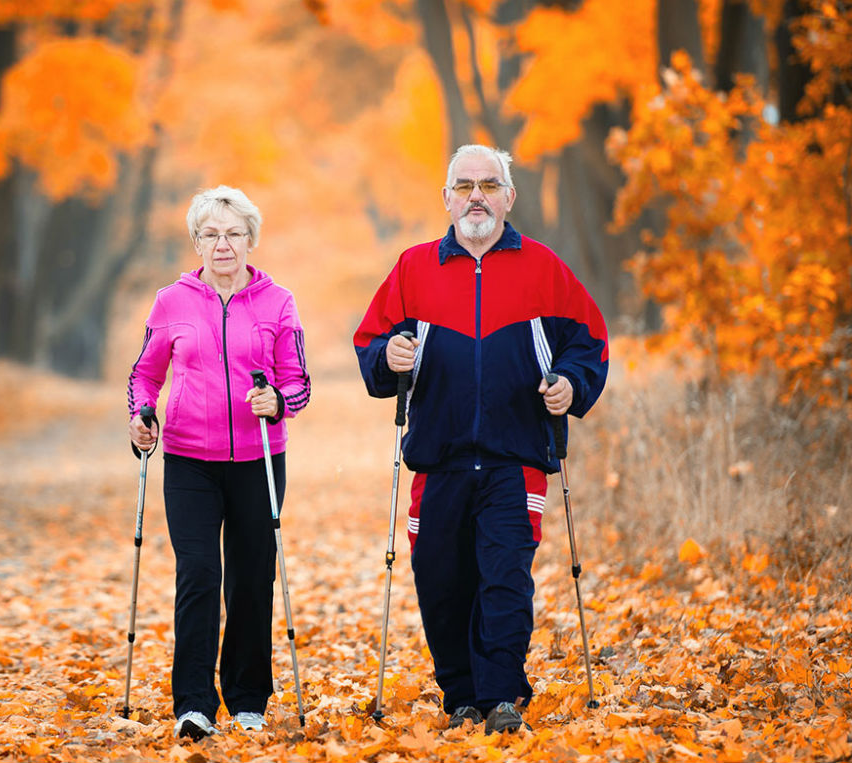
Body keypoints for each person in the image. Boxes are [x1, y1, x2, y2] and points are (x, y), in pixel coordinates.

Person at [353, 144, 608, 735]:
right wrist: (388, 357)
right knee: (440, 578)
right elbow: (370, 343)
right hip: (436, 460)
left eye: (489, 185)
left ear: (508, 198)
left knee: (504, 576)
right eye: (464, 185)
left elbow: (587, 340)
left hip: (515, 457)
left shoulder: (543, 267)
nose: (476, 196)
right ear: (446, 199)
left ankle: (501, 698)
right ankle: (461, 695)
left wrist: (571, 384)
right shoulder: (414, 268)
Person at [127, 185, 311, 740]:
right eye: (210, 234)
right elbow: (145, 374)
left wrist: (277, 401)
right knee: (200, 575)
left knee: (252, 579)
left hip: (259, 458)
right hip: (189, 460)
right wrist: (142, 413)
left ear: (250, 240)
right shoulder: (171, 302)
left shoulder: (278, 302)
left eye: (233, 234)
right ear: (196, 241)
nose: (223, 244)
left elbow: (298, 383)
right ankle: (194, 704)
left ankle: (249, 697)